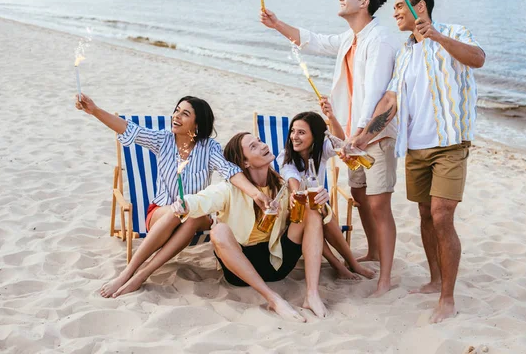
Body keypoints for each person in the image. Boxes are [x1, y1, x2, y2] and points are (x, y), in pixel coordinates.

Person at [349, 0, 485, 322]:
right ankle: (434, 278)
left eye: (399, 6)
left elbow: (478, 59)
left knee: (441, 215)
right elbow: (391, 101)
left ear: (419, 7)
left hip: (450, 143)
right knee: (425, 215)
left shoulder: (453, 32)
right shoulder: (405, 52)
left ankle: (447, 297)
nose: (393, 12)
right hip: (416, 148)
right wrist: (364, 136)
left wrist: (437, 37)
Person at [261, 0, 399, 297]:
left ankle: (385, 279)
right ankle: (375, 254)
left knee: (379, 204)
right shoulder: (351, 37)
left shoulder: (380, 40)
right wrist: (277, 24)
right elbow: (314, 41)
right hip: (349, 137)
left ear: (364, 3)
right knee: (361, 196)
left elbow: (377, 92)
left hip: (372, 137)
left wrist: (361, 135)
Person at [75, 94, 269, 298]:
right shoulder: (163, 140)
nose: (176, 116)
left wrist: (256, 194)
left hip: (197, 215)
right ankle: (127, 273)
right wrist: (94, 110)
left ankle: (142, 274)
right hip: (160, 214)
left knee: (190, 213)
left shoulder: (209, 148)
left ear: (197, 123)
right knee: (180, 212)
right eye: (176, 110)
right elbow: (127, 128)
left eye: (185, 114)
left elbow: (229, 170)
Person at [172, 132, 330, 322]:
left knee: (310, 210)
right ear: (244, 162)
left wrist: (320, 202)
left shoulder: (281, 184)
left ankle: (312, 294)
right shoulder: (229, 188)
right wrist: (185, 204)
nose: (263, 145)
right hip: (241, 269)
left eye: (260, 141)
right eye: (253, 146)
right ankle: (273, 299)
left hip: (278, 260)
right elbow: (204, 199)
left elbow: (316, 216)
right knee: (218, 231)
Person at [277, 110, 374, 280]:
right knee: (320, 215)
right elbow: (293, 181)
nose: (294, 136)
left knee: (322, 215)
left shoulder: (320, 151)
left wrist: (332, 117)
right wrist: (301, 193)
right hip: (293, 213)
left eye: (301, 132)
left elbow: (340, 143)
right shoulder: (285, 156)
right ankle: (345, 265)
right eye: (293, 131)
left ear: (315, 136)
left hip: (317, 209)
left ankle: (350, 265)